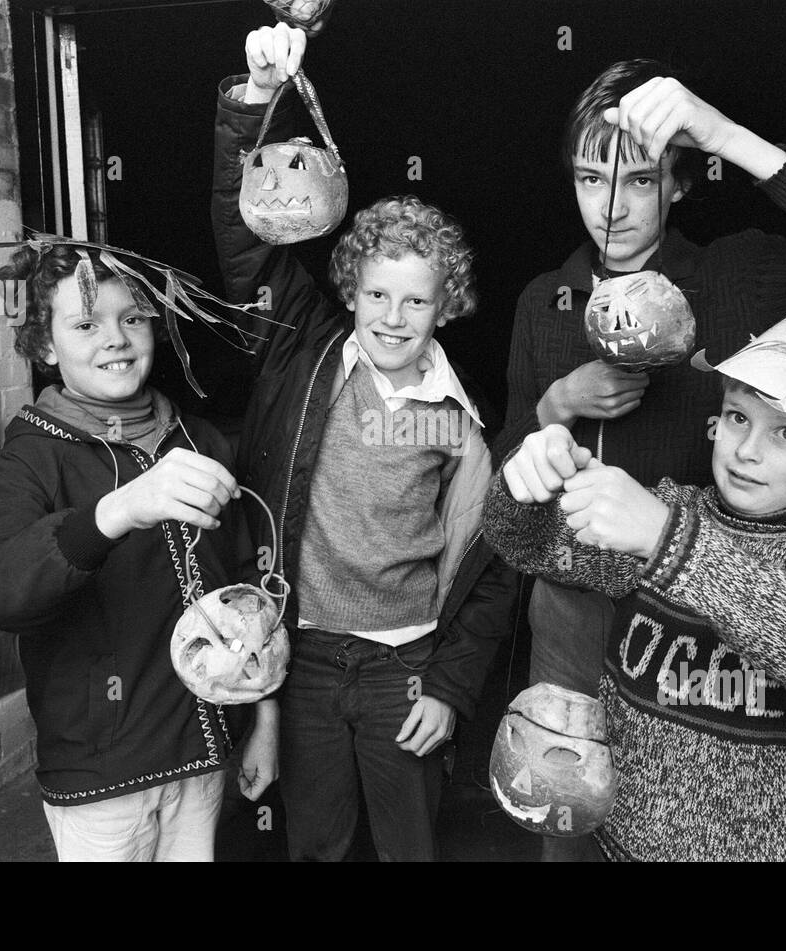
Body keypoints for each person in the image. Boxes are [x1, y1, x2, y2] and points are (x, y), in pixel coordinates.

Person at [497, 59, 786, 859]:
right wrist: (554, 407)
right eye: (592, 179)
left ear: (680, 183)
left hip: (714, 605)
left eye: (639, 178)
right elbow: (508, 470)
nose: (613, 207)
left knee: (698, 800)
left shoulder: (735, 275)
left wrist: (725, 133)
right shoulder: (541, 301)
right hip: (573, 596)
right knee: (566, 817)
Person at [211, 23, 516, 861]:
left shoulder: (461, 416)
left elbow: (492, 569)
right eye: (376, 293)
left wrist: (451, 688)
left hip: (405, 663)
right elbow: (245, 239)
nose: (391, 316)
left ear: (445, 306)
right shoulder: (304, 350)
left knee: (412, 843)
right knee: (313, 843)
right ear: (349, 287)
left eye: (415, 302)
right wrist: (255, 102)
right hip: (306, 655)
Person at [486, 305, 786, 861]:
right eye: (738, 417)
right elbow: (525, 545)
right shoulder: (672, 508)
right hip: (622, 847)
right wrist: (525, 480)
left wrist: (670, 542)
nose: (747, 450)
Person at [0, 244, 275, 862]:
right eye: (85, 324)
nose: (115, 338)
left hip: (204, 749)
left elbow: (247, 590)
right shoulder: (33, 452)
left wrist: (265, 720)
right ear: (44, 347)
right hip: (103, 772)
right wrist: (118, 511)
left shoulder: (200, 439)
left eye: (132, 318)